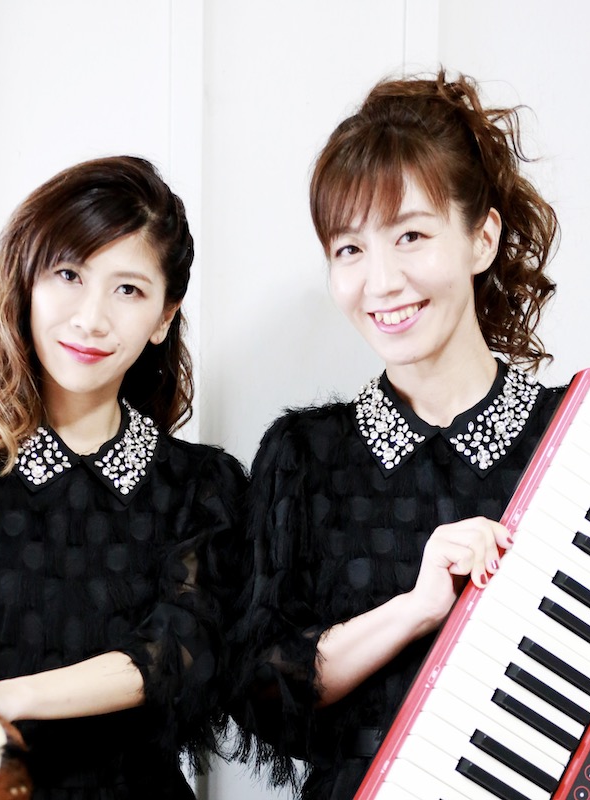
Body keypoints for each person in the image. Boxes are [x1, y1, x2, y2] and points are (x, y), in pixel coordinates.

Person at [0, 155, 247, 798]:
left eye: (128, 290)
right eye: (68, 274)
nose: (91, 318)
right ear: (26, 281)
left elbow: (177, 653)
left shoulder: (202, 488)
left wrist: (2, 695)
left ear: (164, 317)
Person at [231, 70, 565, 798]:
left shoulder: (577, 445)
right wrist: (416, 609)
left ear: (482, 239)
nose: (380, 281)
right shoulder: (303, 457)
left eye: (410, 235)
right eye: (349, 249)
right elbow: (261, 692)